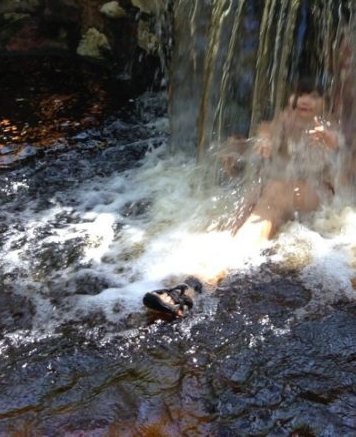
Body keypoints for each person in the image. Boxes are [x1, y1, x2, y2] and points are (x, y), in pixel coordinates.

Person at [143, 78, 342, 319]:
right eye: (301, 94)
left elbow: (345, 158)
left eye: (314, 97)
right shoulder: (287, 117)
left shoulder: (327, 126)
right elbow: (266, 129)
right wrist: (263, 141)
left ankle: (196, 286)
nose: (305, 101)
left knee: (270, 195)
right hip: (280, 187)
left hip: (315, 192)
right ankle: (200, 274)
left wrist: (331, 143)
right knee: (247, 207)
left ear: (326, 104)